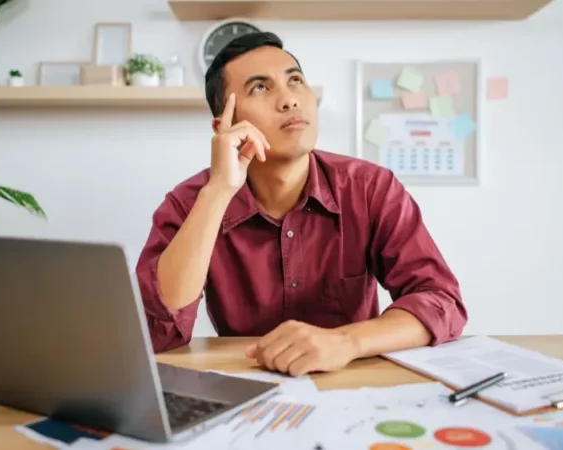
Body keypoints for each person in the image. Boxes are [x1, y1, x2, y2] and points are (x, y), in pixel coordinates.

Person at [135, 31, 467, 377]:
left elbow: (441, 300)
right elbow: (156, 331)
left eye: (295, 81)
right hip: (247, 382)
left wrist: (347, 342)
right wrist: (218, 191)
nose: (289, 100)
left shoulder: (370, 188)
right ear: (225, 126)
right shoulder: (190, 204)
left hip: (352, 380)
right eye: (259, 88)